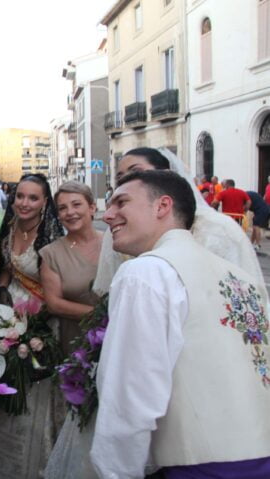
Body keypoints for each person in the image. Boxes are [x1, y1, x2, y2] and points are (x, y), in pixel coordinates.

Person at [91, 169, 270, 478]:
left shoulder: (146, 273)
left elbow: (131, 391)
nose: (108, 215)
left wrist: (117, 472)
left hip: (199, 466)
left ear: (162, 206)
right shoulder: (242, 278)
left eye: (121, 202)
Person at [0, 173, 63, 479]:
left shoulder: (51, 238)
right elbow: (8, 269)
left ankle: (31, 464)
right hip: (4, 311)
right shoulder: (9, 229)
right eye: (20, 196)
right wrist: (3, 294)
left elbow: (54, 295)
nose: (24, 203)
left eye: (33, 198)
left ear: (44, 202)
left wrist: (30, 324)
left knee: (31, 388)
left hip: (39, 318)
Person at [94, 147, 264, 295]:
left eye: (136, 172)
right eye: (120, 177)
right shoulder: (118, 230)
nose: (127, 181)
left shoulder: (217, 229)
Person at [40, 182, 103, 479]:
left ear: (92, 207)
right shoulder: (52, 253)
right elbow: (54, 303)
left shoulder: (117, 243)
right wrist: (104, 316)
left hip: (123, 340)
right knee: (85, 415)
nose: (70, 212)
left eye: (76, 204)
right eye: (63, 208)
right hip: (77, 343)